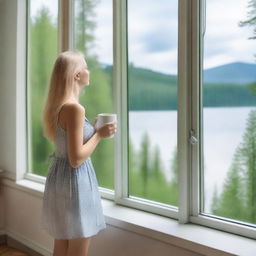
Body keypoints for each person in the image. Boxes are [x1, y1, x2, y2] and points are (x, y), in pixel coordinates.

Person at [40, 50, 117, 256]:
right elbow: (76, 159)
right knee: (78, 248)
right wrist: (99, 134)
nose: (88, 71)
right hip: (75, 183)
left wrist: (90, 130)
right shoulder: (75, 109)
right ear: (76, 75)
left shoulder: (58, 107)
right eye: (85, 66)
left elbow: (68, 145)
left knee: (62, 244)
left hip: (59, 180)